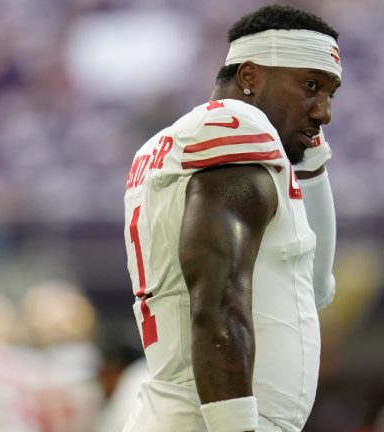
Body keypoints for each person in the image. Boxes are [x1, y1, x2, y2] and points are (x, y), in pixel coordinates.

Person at [121, 4, 341, 431]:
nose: (324, 111)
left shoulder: (178, 145)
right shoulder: (236, 126)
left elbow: (315, 288)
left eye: (330, 94)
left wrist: (311, 167)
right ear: (250, 78)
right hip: (208, 419)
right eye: (310, 85)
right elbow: (218, 305)